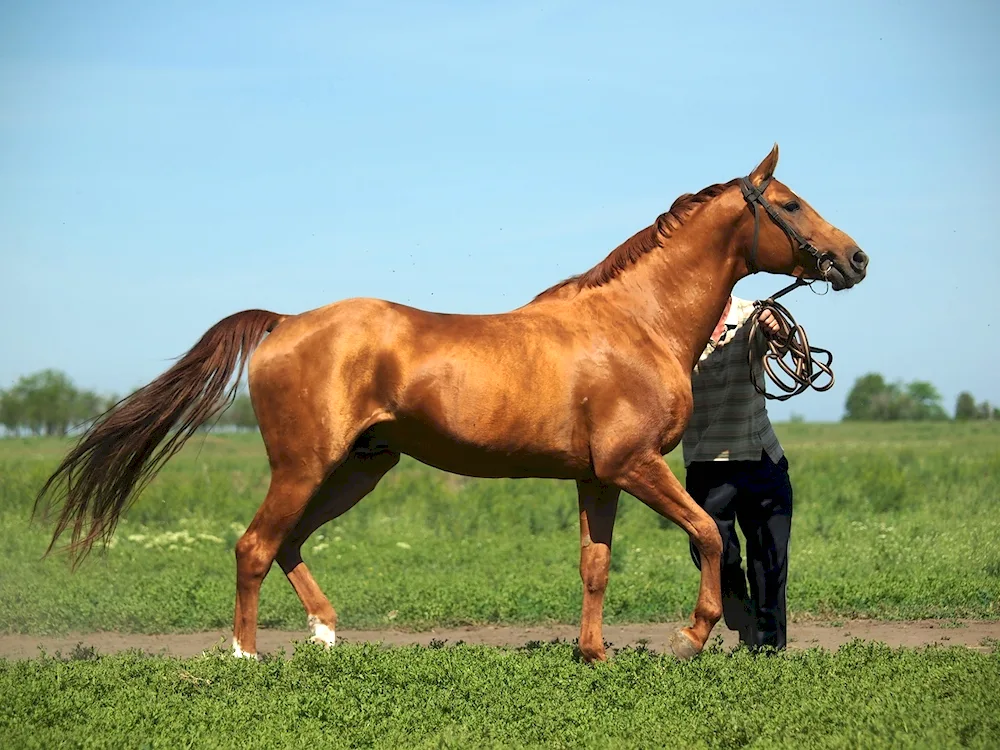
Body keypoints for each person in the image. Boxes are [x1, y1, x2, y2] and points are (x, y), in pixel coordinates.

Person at [682, 294, 794, 652]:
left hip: (760, 456)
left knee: (770, 563)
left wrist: (779, 331)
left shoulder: (754, 314)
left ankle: (768, 651)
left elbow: (782, 346)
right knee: (716, 555)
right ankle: (736, 610)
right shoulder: (680, 322)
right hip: (706, 464)